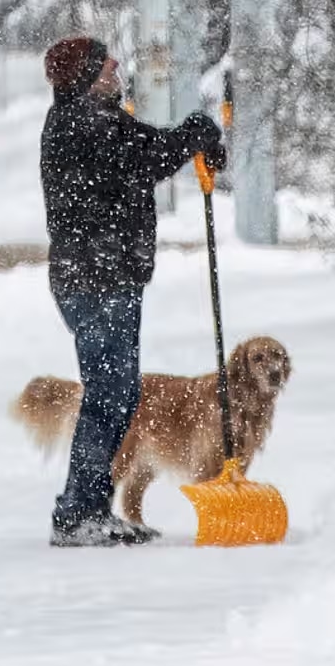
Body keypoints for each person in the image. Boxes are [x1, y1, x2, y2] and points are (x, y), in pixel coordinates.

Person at [35, 35, 224, 547]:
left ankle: (88, 508)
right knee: (110, 393)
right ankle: (78, 513)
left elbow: (150, 150)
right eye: (105, 64)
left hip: (100, 276)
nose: (116, 67)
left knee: (116, 392)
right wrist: (196, 132)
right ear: (85, 75)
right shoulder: (86, 123)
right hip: (98, 280)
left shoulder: (93, 118)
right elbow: (149, 156)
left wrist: (192, 139)